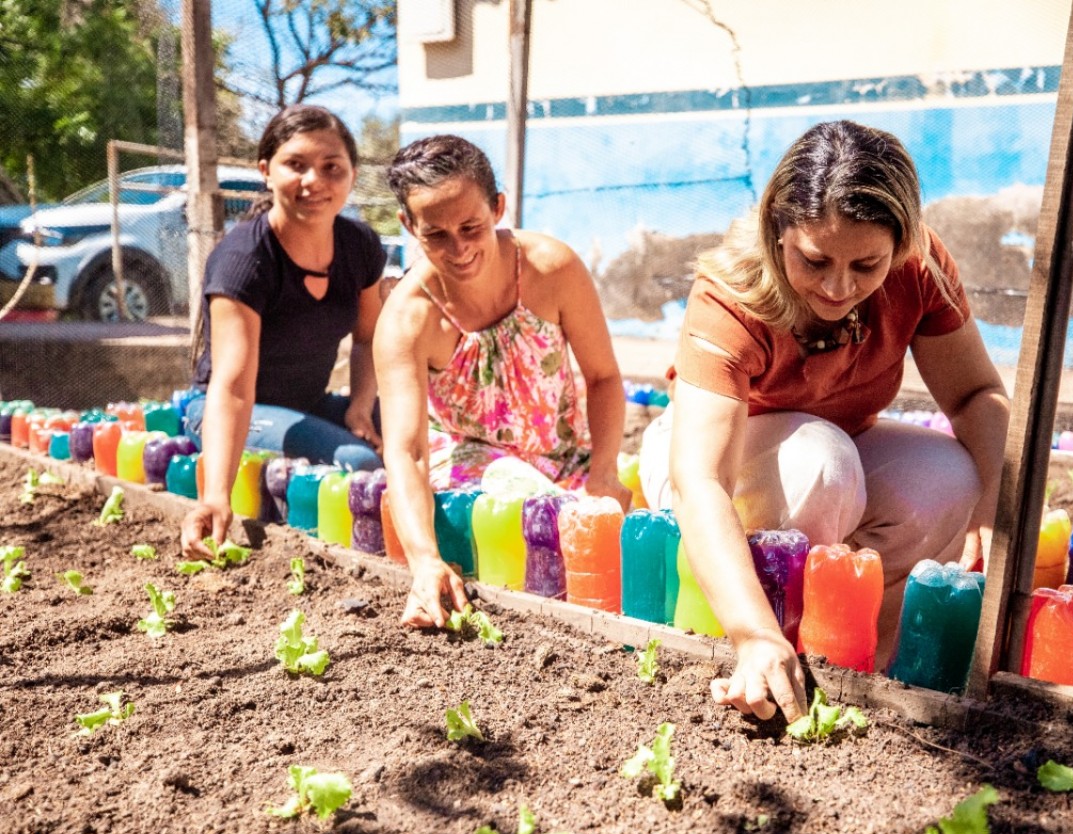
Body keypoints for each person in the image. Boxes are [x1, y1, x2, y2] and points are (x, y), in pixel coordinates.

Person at [638, 120, 1009, 723]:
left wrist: (995, 513)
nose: (840, 287)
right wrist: (752, 632)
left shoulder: (919, 268)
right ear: (778, 231)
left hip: (831, 452)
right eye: (815, 261)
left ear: (902, 243)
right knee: (823, 462)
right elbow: (700, 480)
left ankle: (858, 661)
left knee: (951, 478)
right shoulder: (733, 291)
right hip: (702, 468)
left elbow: (976, 396)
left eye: (867, 266)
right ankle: (773, 649)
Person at [375, 134, 631, 629]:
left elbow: (602, 377)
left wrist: (603, 471)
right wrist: (425, 560)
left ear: (497, 207)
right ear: (409, 226)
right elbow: (405, 451)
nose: (459, 248)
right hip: (471, 467)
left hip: (561, 456)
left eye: (471, 225)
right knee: (551, 521)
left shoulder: (552, 267)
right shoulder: (407, 319)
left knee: (626, 521)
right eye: (436, 235)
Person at [180, 104, 386, 559]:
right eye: (296, 164)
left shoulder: (360, 247)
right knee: (357, 462)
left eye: (332, 167)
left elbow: (369, 338)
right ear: (266, 171)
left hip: (308, 405)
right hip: (229, 409)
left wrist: (359, 406)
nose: (314, 180)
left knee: (406, 432)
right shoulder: (244, 260)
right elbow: (232, 388)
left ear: (352, 174)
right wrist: (216, 495)